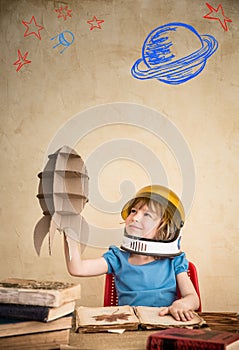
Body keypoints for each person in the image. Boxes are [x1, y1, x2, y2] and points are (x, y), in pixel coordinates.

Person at [64, 185, 200, 322]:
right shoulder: (117, 258)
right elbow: (77, 268)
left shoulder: (174, 261)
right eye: (133, 211)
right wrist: (69, 227)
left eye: (147, 214)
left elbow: (193, 298)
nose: (135, 218)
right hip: (127, 328)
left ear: (166, 227)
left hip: (162, 324)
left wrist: (182, 304)